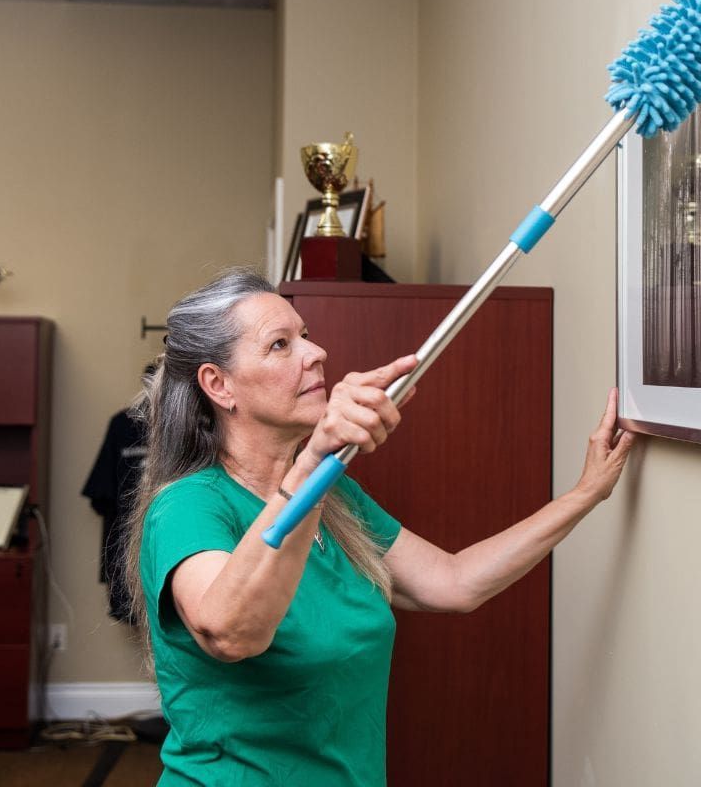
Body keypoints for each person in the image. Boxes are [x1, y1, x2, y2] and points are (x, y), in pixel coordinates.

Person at [126, 268, 636, 786]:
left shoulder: (334, 496)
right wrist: (316, 463)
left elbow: (455, 581)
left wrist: (585, 494)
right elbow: (231, 631)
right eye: (280, 344)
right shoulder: (188, 508)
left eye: (304, 334)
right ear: (219, 384)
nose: (315, 352)